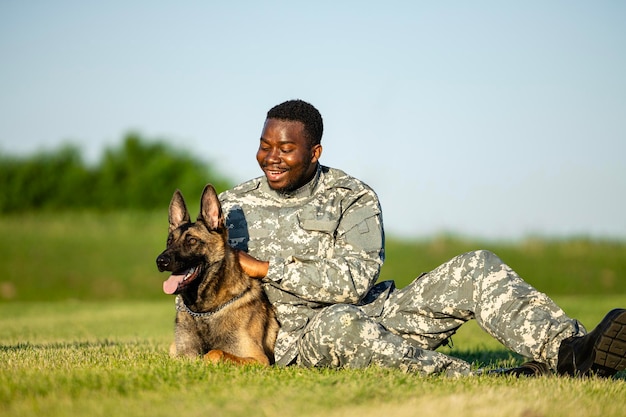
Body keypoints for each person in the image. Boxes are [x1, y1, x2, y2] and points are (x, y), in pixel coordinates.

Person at [218, 99, 626, 377]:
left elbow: (354, 282)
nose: (272, 157)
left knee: (477, 266)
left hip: (371, 309)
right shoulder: (231, 206)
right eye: (265, 145)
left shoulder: (352, 196)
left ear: (315, 151)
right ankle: (484, 379)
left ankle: (573, 352)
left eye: (286, 148)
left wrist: (267, 268)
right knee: (340, 323)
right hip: (296, 338)